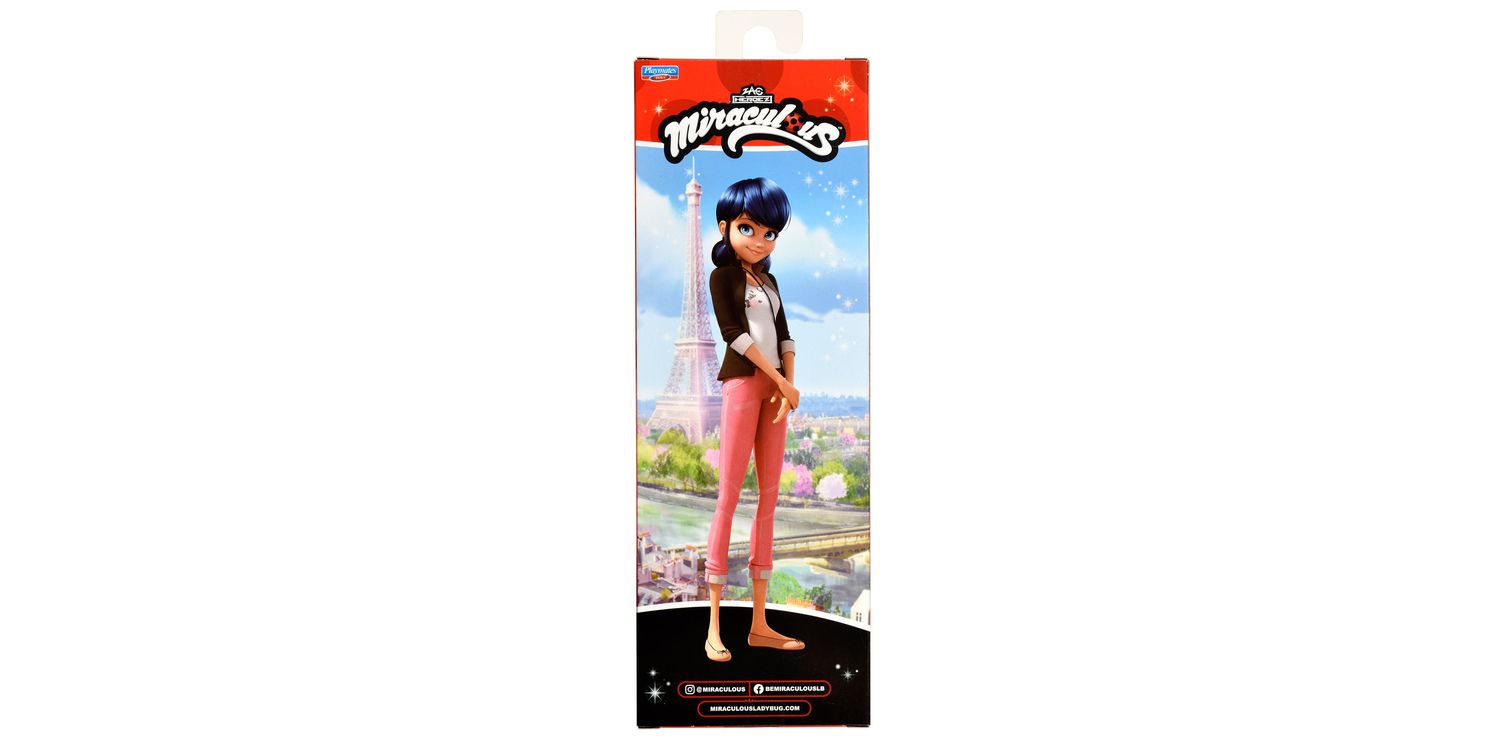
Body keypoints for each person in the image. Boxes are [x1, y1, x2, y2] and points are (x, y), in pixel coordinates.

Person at [702, 177, 805, 662]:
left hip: (775, 392)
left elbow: (784, 335)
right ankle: (713, 625)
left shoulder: (770, 282)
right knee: (728, 496)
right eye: (749, 228)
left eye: (770, 233)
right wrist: (780, 380)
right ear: (725, 227)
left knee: (768, 498)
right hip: (744, 385)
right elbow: (735, 336)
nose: (760, 240)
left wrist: (789, 383)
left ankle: (760, 624)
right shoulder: (722, 278)